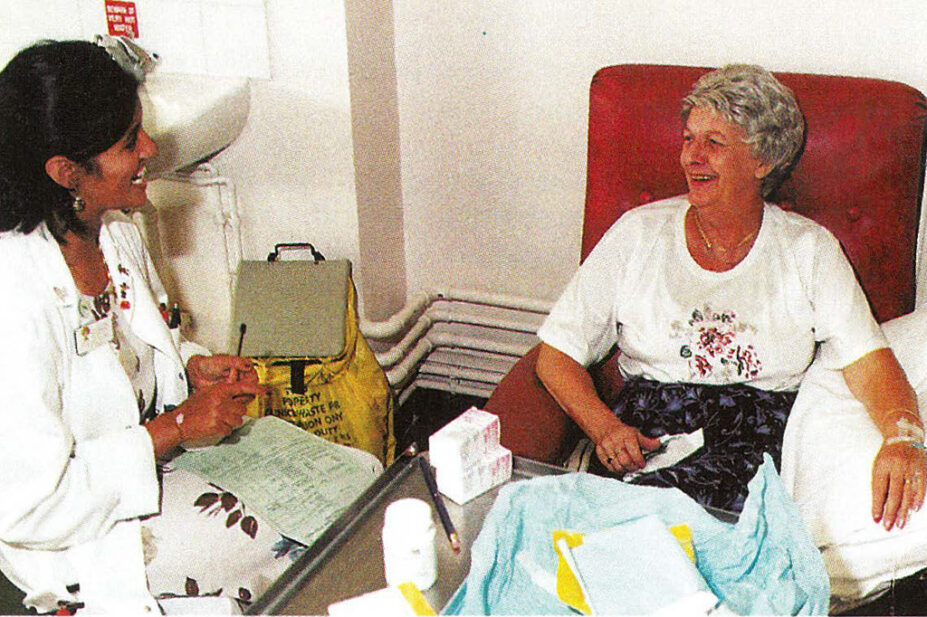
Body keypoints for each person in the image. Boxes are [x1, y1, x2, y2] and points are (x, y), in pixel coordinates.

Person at [0, 40, 375, 615]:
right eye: (129, 141)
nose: (151, 148)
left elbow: (133, 349)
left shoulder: (116, 234)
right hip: (74, 527)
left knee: (358, 479)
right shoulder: (14, 299)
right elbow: (28, 506)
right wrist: (174, 427)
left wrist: (191, 365)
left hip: (158, 461)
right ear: (66, 172)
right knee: (281, 543)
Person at [536, 65, 925, 528]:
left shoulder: (809, 250)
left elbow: (869, 362)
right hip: (643, 436)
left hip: (755, 441)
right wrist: (604, 428)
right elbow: (555, 354)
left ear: (762, 161)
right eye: (687, 139)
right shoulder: (637, 234)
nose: (691, 157)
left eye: (714, 143)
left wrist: (904, 439)